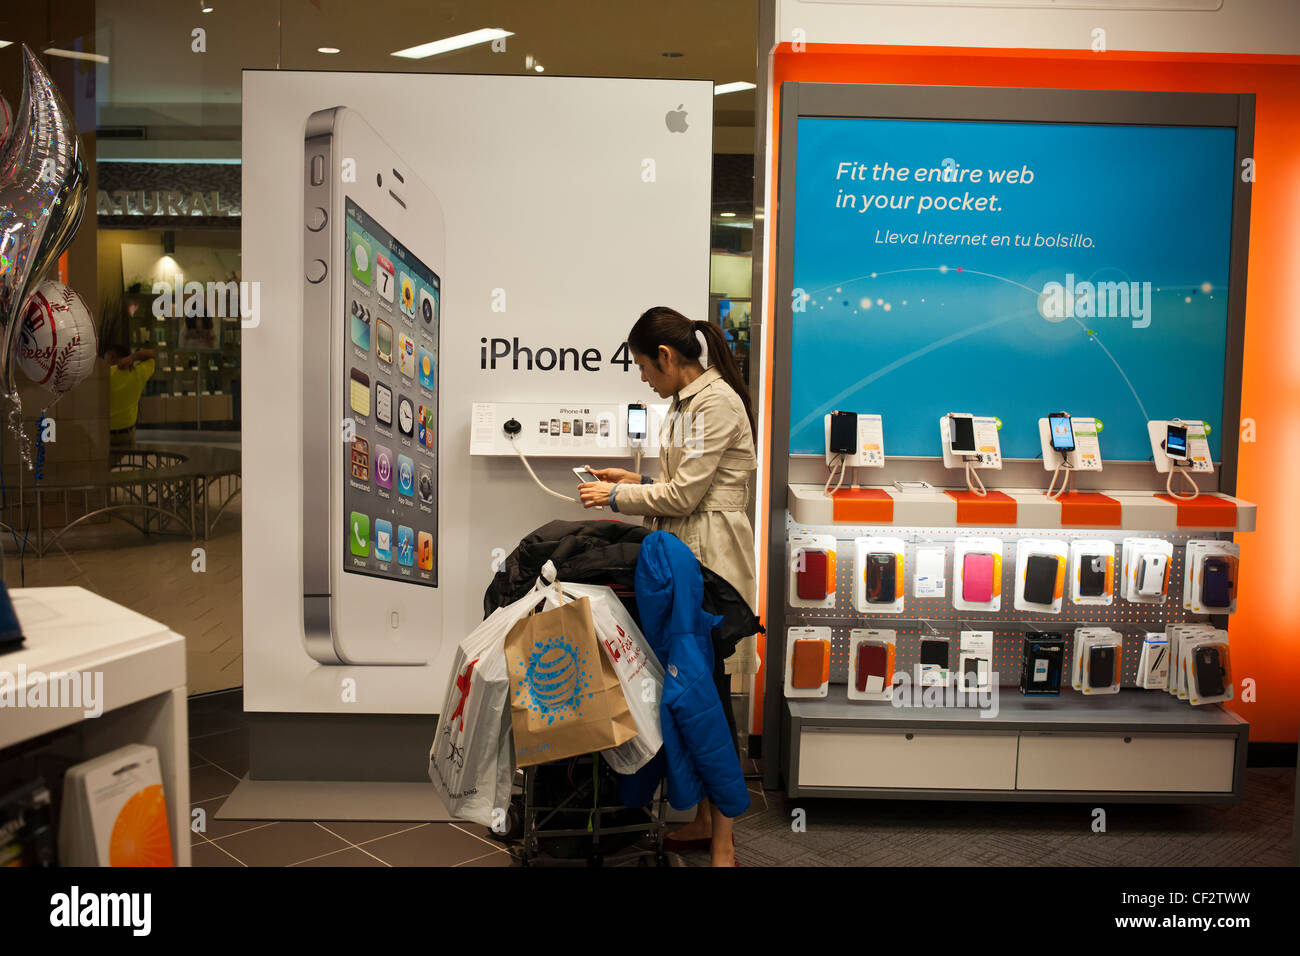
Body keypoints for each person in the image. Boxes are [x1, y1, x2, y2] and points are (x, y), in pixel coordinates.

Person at [578, 305, 757, 868]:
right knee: (694, 692)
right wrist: (636, 482)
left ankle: (724, 841)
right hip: (689, 556)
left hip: (713, 566)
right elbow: (684, 486)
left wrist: (615, 498)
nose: (642, 380)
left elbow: (684, 499)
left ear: (667, 357)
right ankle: (705, 820)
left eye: (643, 369)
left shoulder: (716, 404)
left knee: (710, 701)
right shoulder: (688, 404)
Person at [104, 346, 156, 447]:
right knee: (128, 462)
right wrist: (132, 358)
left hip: (104, 434)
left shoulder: (103, 376)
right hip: (127, 434)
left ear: (111, 356)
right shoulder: (136, 373)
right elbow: (152, 355)